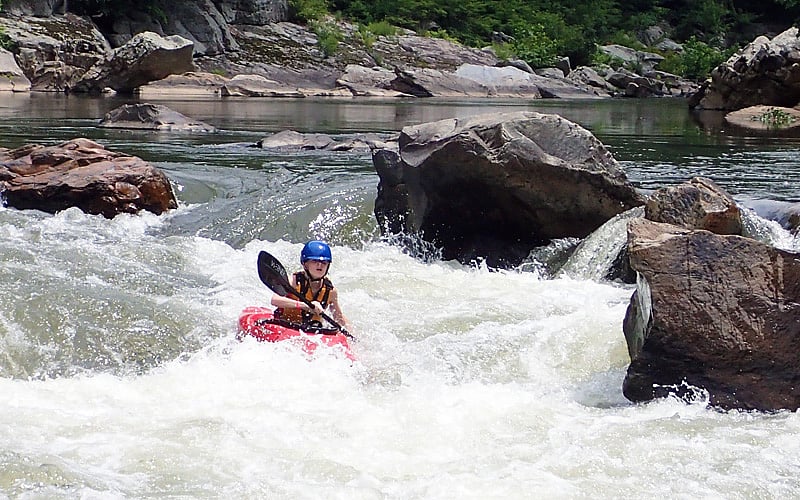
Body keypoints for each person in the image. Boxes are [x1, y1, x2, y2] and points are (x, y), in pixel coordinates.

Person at [272, 240, 349, 330]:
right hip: (285, 325)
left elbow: (339, 318)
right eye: (314, 261)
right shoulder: (294, 281)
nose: (319, 265)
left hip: (312, 330)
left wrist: (351, 333)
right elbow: (274, 300)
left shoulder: (331, 291)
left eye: (324, 262)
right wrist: (304, 306)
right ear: (305, 264)